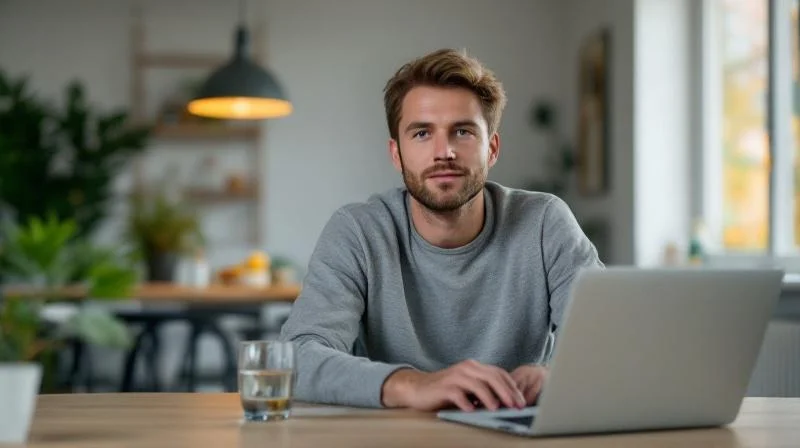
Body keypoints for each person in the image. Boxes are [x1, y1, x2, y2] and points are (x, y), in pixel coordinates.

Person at [280, 48, 602, 412]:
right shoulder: (358, 231)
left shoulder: (545, 223)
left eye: (462, 131)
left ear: (491, 148)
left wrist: (553, 375)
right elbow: (297, 357)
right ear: (396, 153)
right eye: (421, 134)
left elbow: (610, 341)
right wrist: (413, 385)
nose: (443, 151)